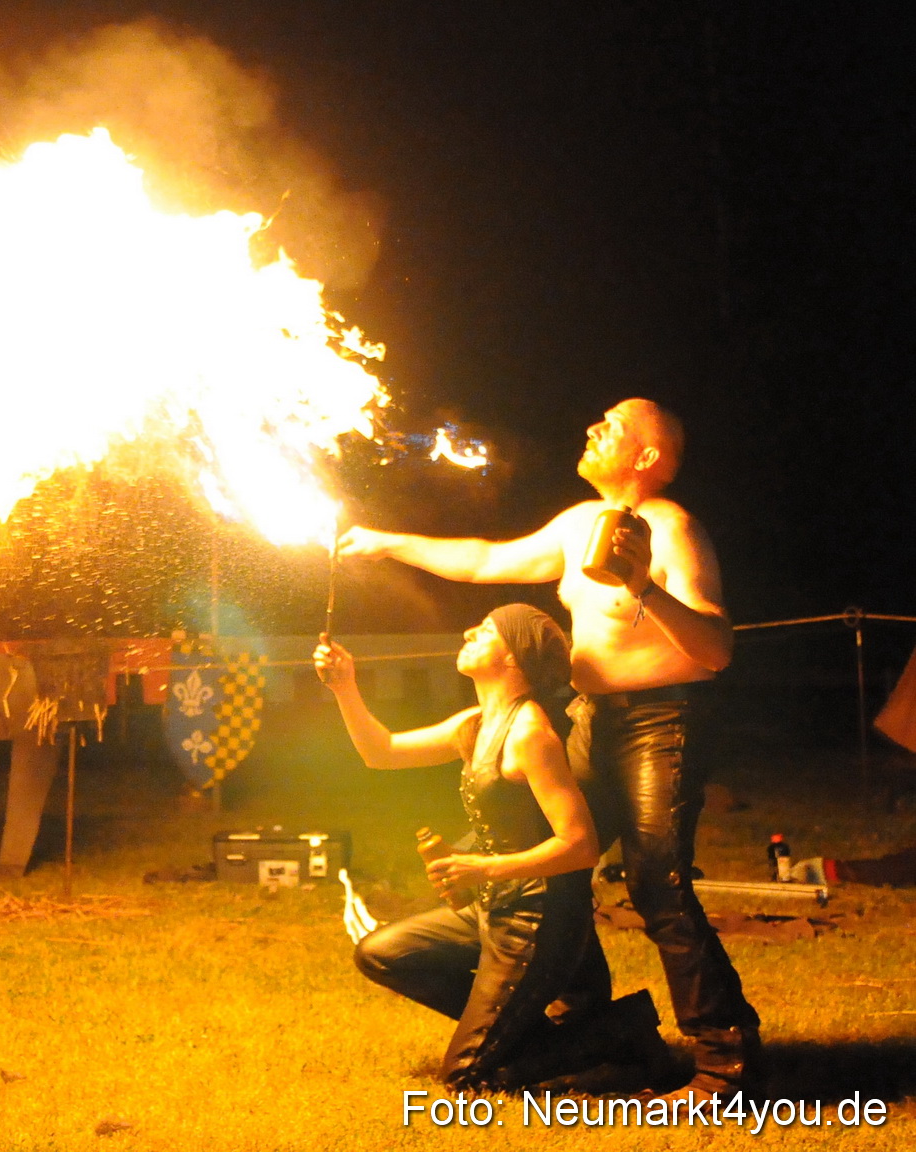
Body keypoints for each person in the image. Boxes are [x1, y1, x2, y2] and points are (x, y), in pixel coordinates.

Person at [336, 398, 760, 1097]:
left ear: (647, 456)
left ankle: (725, 1061)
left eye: (611, 426)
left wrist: (641, 587)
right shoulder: (577, 523)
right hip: (594, 719)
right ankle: (589, 1019)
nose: (591, 428)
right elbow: (483, 559)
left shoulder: (671, 530)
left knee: (657, 882)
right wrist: (387, 542)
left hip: (663, 722)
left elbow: (715, 649)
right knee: (550, 858)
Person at [318, 605, 622, 1089]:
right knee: (380, 953)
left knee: (463, 1079)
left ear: (514, 658)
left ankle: (610, 1040)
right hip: (493, 907)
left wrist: (483, 869)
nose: (467, 632)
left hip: (537, 919)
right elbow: (382, 751)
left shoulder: (530, 735)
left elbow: (580, 845)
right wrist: (344, 687)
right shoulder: (477, 723)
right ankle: (547, 1035)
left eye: (484, 631)